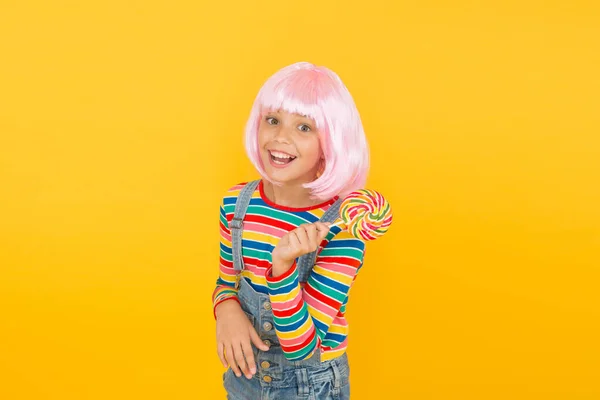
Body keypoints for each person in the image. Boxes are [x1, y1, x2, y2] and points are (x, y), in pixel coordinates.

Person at [213, 61, 369, 399]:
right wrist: (226, 309)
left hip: (309, 386)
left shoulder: (341, 226)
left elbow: (302, 346)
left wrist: (282, 267)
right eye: (273, 121)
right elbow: (227, 282)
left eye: (304, 127)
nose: (280, 137)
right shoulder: (236, 204)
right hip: (244, 381)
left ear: (331, 143)